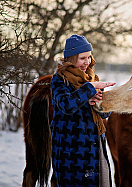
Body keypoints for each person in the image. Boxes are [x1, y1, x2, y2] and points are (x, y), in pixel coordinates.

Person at [50, 34, 116, 187]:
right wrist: (90, 89)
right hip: (70, 148)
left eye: (88, 57)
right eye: (82, 58)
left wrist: (97, 103)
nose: (87, 62)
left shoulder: (92, 77)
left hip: (93, 145)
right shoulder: (60, 80)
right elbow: (66, 105)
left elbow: (105, 113)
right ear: (71, 59)